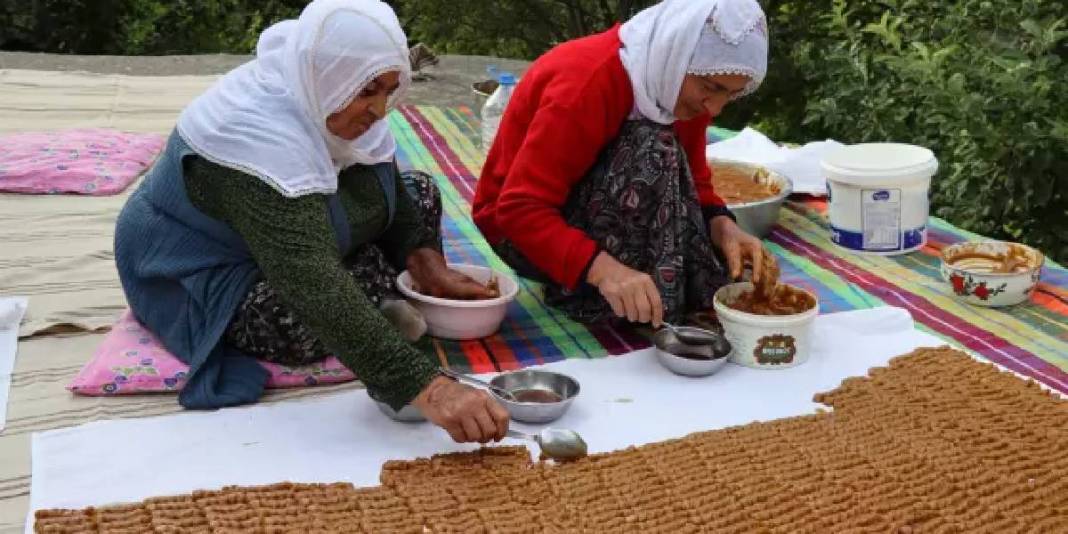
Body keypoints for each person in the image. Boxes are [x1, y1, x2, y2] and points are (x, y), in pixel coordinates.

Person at [113, 0, 509, 444]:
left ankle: (369, 298)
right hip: (201, 268)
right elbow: (309, 279)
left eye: (388, 90)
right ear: (329, 76)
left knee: (421, 192)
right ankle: (367, 306)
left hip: (288, 232)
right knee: (296, 319)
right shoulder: (251, 136)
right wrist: (430, 389)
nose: (380, 110)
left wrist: (427, 265)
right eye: (368, 91)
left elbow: (388, 185)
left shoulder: (324, 93)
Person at [473, 0, 770, 327]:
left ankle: (644, 282)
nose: (715, 108)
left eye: (731, 95)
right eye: (712, 88)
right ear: (676, 52)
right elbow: (518, 210)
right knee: (653, 147)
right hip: (519, 234)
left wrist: (723, 226)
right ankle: (590, 289)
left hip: (582, 206)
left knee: (663, 154)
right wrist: (605, 272)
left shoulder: (675, 86)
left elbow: (694, 178)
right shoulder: (585, 83)